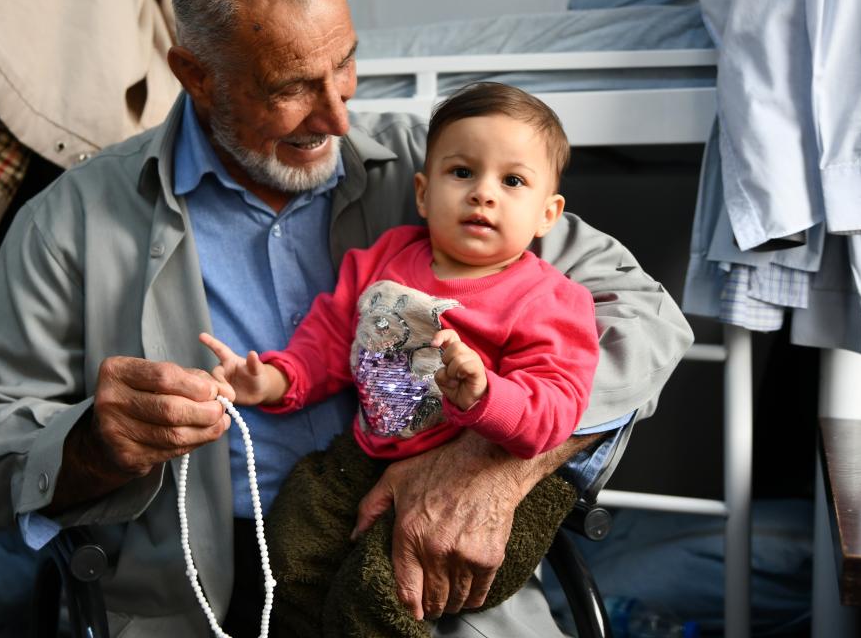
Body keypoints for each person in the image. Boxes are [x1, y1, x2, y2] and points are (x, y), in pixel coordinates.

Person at [0, 0, 694, 636]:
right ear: (196, 73)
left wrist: (490, 463)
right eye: (292, 86)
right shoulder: (74, 220)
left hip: (425, 572)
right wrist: (93, 442)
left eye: (346, 64)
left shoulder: (436, 175)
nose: (337, 116)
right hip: (198, 598)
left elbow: (647, 315)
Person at [200, 81, 600, 635]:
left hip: (488, 466)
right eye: (461, 172)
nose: (483, 194)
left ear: (547, 214)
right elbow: (329, 339)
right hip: (366, 451)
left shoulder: (551, 300)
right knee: (289, 545)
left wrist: (488, 394)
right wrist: (271, 379)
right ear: (422, 191)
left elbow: (557, 410)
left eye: (512, 181)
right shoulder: (384, 259)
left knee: (380, 595)